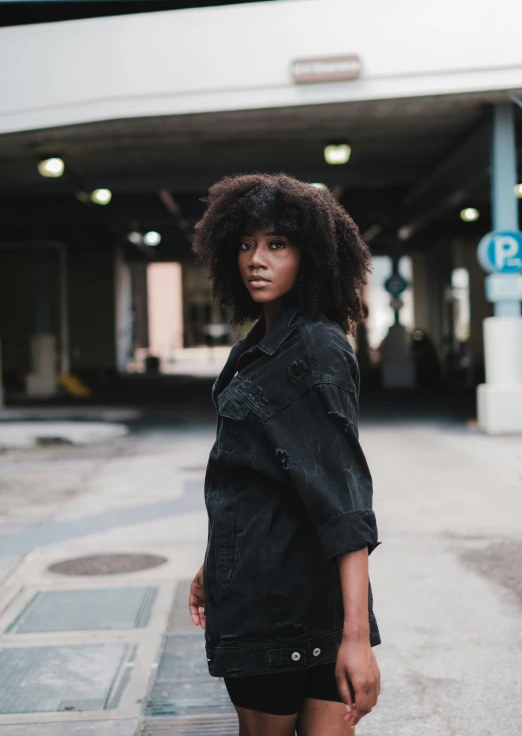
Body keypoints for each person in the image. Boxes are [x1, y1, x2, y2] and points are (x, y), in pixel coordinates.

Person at [189, 173, 381, 736]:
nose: (256, 259)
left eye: (277, 244)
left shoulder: (316, 349)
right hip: (266, 589)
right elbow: (257, 481)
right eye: (246, 244)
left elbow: (343, 500)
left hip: (285, 608)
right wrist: (213, 564)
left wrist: (355, 639)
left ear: (312, 255)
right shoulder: (254, 351)